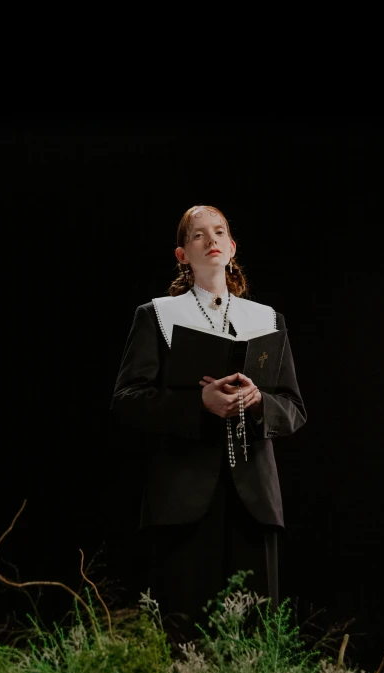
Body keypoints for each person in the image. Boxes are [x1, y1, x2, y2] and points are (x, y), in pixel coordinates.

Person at [110, 205, 306, 642]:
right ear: (182, 254)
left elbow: (293, 407)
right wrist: (199, 403)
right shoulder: (157, 314)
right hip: (182, 497)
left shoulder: (268, 319)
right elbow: (126, 400)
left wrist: (257, 402)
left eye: (219, 232)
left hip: (254, 499)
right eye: (198, 235)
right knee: (183, 634)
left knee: (256, 638)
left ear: (232, 248)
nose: (210, 239)